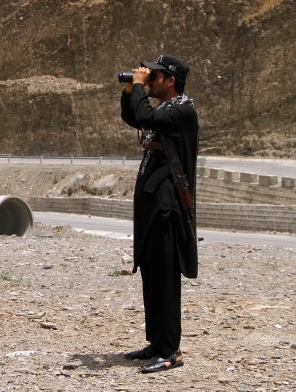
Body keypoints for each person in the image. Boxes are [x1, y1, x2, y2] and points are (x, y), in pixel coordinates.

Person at [119, 54, 199, 373]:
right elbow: (135, 117)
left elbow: (144, 116)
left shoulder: (182, 111)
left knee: (165, 279)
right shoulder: (166, 110)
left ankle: (171, 351)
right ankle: (157, 342)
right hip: (155, 207)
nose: (150, 79)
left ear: (171, 81)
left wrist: (138, 86)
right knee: (152, 276)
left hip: (168, 210)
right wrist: (130, 91)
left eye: (156, 76)